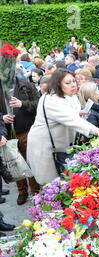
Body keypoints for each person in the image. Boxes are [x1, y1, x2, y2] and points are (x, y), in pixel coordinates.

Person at [27, 68, 99, 185]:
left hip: (60, 146)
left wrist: (78, 113)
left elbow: (70, 114)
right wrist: (96, 131)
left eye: (73, 81)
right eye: (67, 83)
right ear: (58, 85)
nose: (73, 85)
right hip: (45, 147)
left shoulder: (70, 96)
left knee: (63, 180)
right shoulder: (51, 99)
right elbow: (71, 120)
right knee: (52, 184)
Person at [0, 76, 41, 205]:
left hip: (27, 131)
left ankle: (36, 193)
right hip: (8, 134)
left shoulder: (26, 85)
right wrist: (2, 118)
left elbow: (38, 104)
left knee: (30, 163)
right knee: (14, 164)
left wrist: (22, 104)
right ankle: (22, 192)